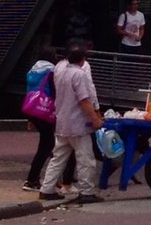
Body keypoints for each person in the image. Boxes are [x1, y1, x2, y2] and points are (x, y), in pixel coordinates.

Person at [38, 41, 104, 204]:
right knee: (85, 159)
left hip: (62, 121)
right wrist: (95, 119)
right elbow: (84, 100)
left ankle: (47, 189)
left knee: (58, 157)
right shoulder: (79, 74)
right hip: (77, 124)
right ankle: (86, 191)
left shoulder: (59, 70)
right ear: (82, 59)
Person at [23, 47, 70, 194]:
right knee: (47, 145)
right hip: (45, 110)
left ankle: (41, 178)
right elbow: (55, 93)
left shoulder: (32, 71)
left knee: (47, 143)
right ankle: (33, 179)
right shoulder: (51, 72)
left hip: (33, 110)